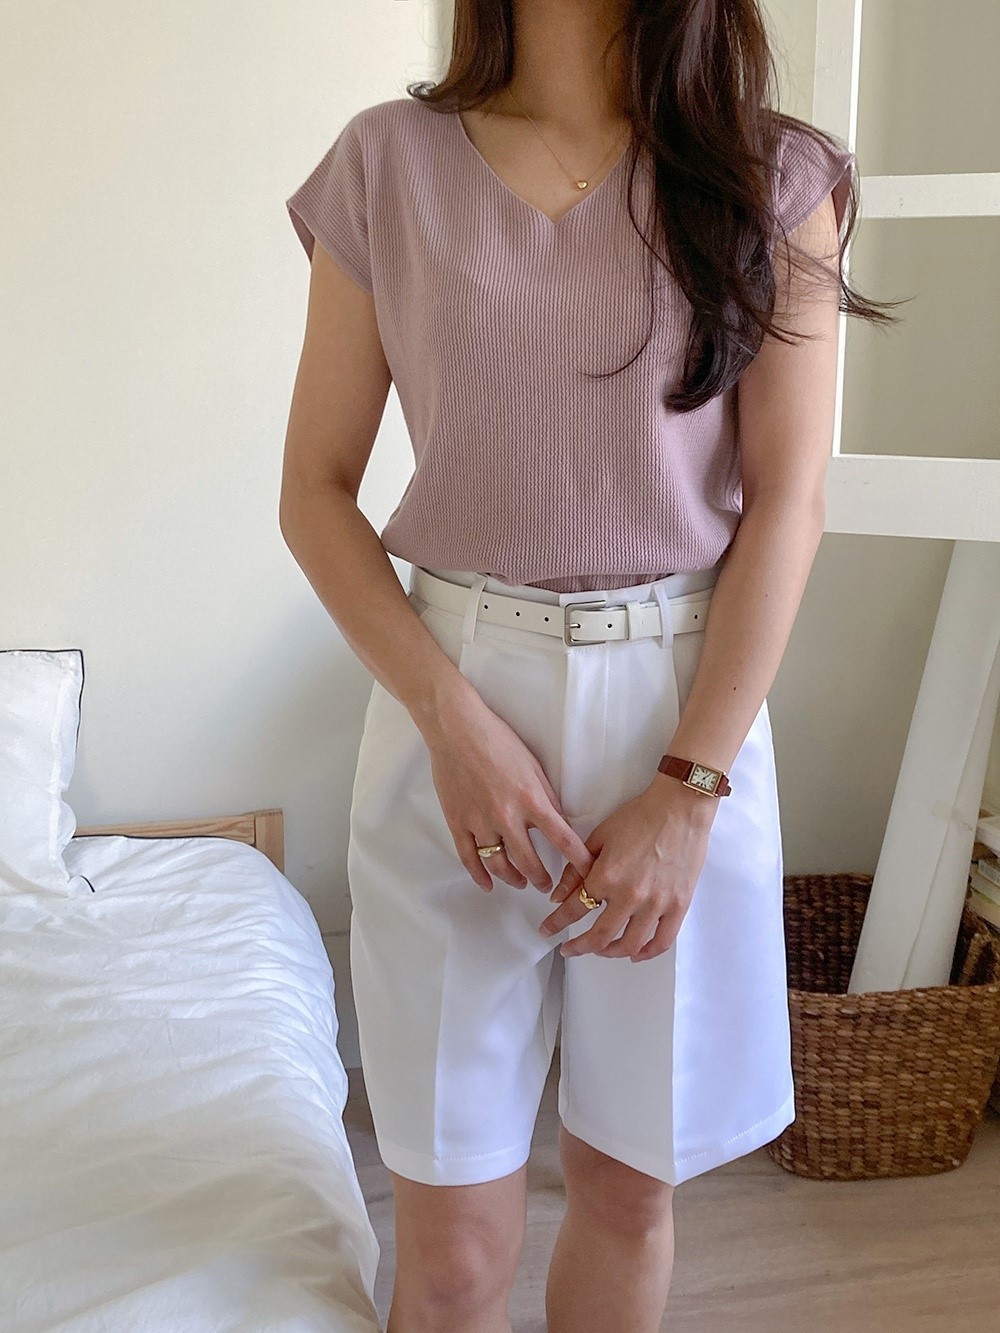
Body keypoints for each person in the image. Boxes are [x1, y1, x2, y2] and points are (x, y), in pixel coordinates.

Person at [280, 4, 895, 1330]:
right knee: (451, 1251)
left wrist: (690, 790)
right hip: (454, 704)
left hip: (683, 707)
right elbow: (314, 491)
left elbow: (788, 504)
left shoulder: (776, 178)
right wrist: (450, 722)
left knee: (626, 1191)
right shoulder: (387, 163)